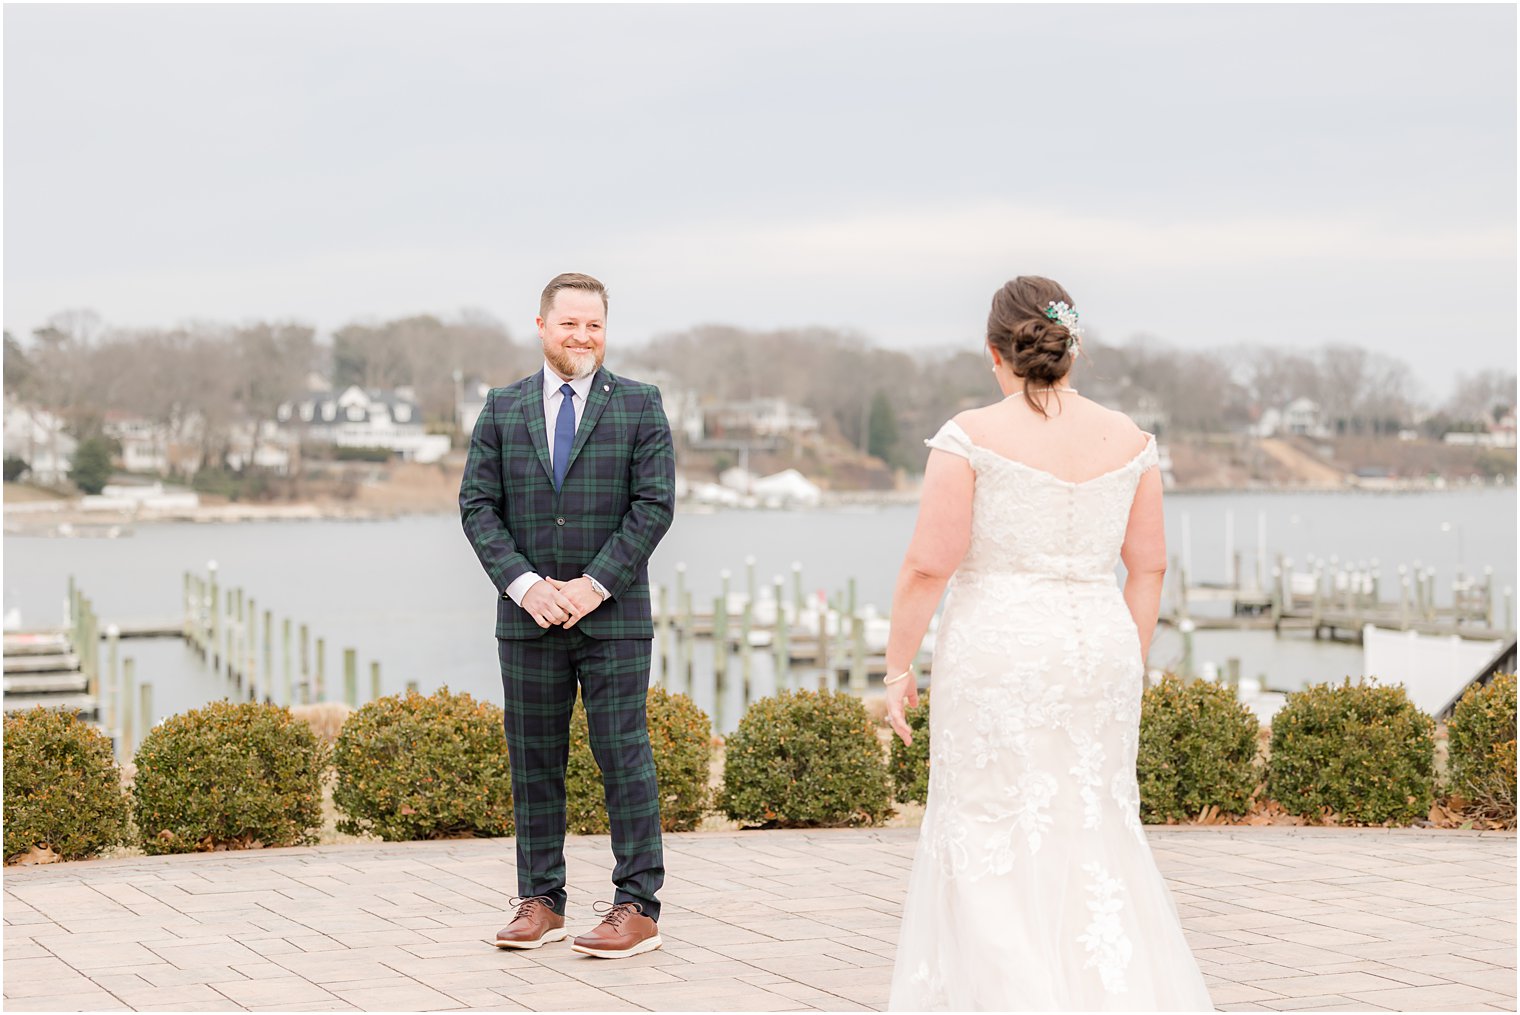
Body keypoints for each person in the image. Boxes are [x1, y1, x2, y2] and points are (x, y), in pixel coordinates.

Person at [883, 276, 1213, 1010]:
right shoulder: (1130, 438)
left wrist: (896, 663)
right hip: (1101, 649)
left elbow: (929, 563)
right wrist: (1125, 655)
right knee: (1093, 829)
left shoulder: (969, 435)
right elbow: (1149, 565)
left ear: (994, 353)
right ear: (1073, 345)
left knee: (987, 831)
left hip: (999, 653)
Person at [460, 272, 675, 959]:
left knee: (624, 757)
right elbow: (477, 507)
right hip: (528, 618)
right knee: (533, 760)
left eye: (595, 325)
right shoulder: (502, 408)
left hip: (612, 618)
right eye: (570, 324)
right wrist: (526, 585)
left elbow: (654, 506)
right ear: (542, 325)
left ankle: (636, 904)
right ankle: (540, 900)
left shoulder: (641, 405)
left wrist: (594, 584)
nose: (582, 336)